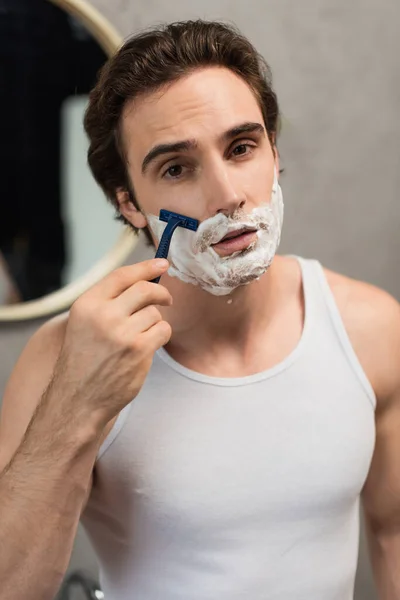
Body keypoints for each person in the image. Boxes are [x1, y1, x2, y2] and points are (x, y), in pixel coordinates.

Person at [0, 20, 399, 600]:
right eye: (176, 168)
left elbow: (391, 531)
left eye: (241, 148)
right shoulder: (64, 356)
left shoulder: (371, 326)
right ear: (131, 205)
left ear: (274, 154)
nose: (227, 193)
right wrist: (76, 403)